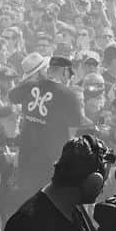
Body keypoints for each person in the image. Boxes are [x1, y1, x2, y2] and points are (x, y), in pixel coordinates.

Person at [8, 54, 86, 204]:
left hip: (26, 156)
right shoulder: (69, 95)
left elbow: (12, 96)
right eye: (70, 73)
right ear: (64, 72)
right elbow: (73, 133)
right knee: (47, 204)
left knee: (25, 201)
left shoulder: (30, 86)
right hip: (51, 162)